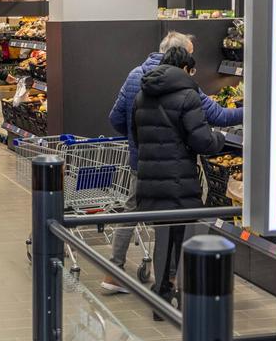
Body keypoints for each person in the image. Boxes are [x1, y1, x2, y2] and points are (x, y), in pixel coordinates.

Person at [102, 31, 243, 294]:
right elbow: (216, 118)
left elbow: (117, 117)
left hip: (143, 162)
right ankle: (175, 283)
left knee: (134, 211)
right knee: (179, 227)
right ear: (182, 60)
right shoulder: (186, 87)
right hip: (176, 169)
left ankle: (115, 272)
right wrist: (249, 114)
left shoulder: (137, 77)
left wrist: (140, 141)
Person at [131, 47, 227, 318]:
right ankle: (184, 299)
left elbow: (137, 139)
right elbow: (203, 142)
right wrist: (219, 137)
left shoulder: (141, 95)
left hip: (151, 181)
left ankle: (161, 297)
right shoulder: (187, 96)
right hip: (179, 180)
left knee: (164, 238)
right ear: (185, 69)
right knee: (185, 238)